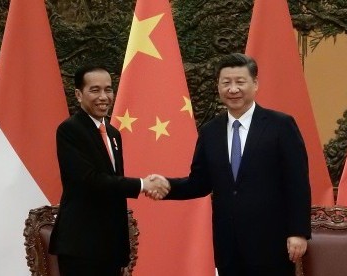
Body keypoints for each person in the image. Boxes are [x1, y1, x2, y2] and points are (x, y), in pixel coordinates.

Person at [154, 53, 311, 276]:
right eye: (226, 82)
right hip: (228, 245)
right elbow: (200, 182)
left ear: (255, 84)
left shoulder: (280, 125)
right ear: (218, 86)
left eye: (240, 82)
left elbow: (297, 182)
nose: (233, 89)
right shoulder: (210, 131)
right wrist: (165, 185)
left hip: (272, 243)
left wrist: (298, 232)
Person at [49, 64, 169, 276]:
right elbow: (89, 181)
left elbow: (115, 188)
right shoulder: (70, 130)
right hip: (82, 245)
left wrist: (122, 249)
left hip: (110, 246)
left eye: (108, 89)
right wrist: (143, 184)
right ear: (78, 94)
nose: (103, 96)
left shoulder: (113, 133)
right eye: (95, 90)